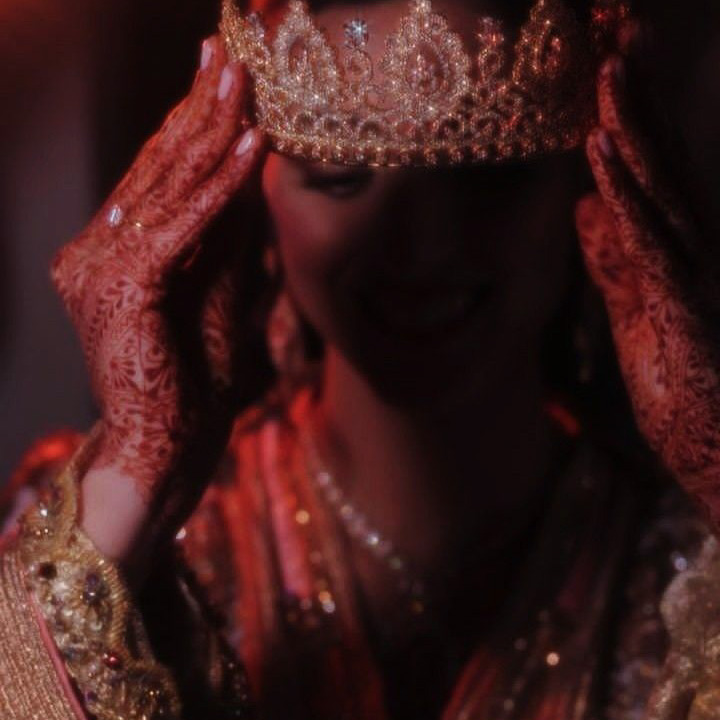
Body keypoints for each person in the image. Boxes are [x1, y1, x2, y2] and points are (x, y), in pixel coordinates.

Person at [1, 0, 719, 718]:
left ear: (593, 186)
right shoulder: (107, 532)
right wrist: (130, 485)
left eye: (486, 174)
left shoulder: (690, 550)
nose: (422, 246)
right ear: (243, 191)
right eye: (340, 176)